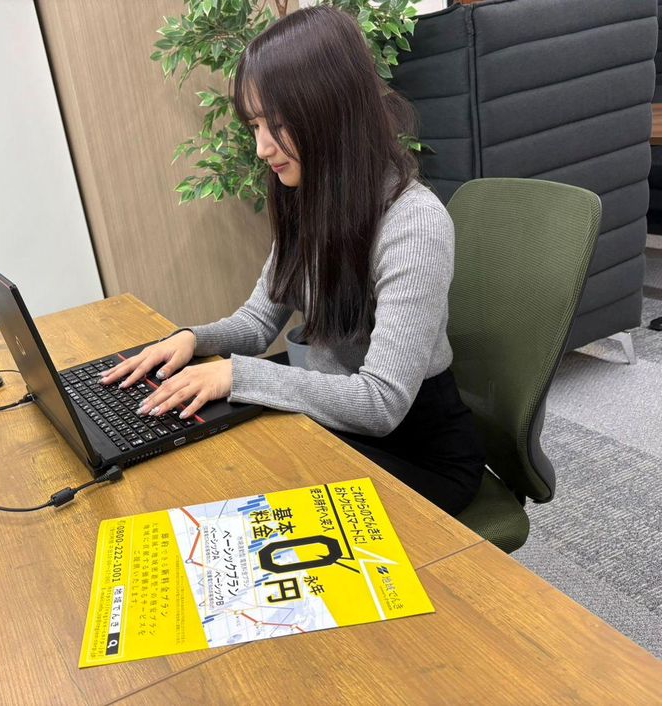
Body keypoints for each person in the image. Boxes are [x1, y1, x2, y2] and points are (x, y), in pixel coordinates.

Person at [101, 5, 485, 515]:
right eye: (255, 125)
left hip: (418, 453)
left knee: (244, 503)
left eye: (277, 125)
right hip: (331, 425)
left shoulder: (413, 223)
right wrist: (193, 339)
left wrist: (238, 377)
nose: (262, 147)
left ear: (333, 113)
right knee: (212, 472)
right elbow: (258, 322)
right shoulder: (311, 197)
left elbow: (381, 402)